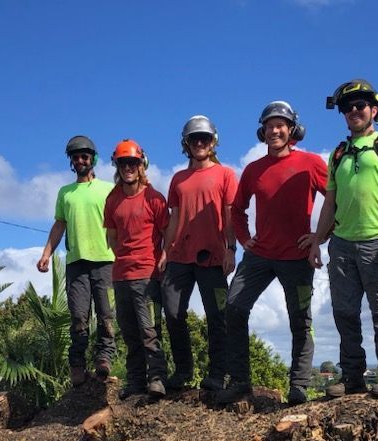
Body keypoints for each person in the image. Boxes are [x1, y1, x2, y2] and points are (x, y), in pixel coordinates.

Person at [308, 79, 378, 398]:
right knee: (344, 313)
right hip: (341, 244)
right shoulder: (338, 153)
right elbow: (330, 201)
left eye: (360, 105)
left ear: (374, 110)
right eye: (348, 107)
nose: (354, 111)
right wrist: (317, 240)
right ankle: (352, 377)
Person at [218, 101, 327, 405]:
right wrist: (244, 239)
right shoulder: (254, 169)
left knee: (299, 319)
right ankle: (240, 382)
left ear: (292, 130)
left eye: (281, 125)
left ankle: (300, 385)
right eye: (269, 125)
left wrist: (321, 237)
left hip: (297, 256)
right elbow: (237, 210)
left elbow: (335, 200)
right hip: (260, 255)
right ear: (262, 131)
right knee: (234, 308)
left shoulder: (312, 163)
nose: (275, 130)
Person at [160, 115, 238, 392]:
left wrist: (231, 248)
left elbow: (231, 214)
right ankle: (183, 371)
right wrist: (164, 252)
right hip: (180, 256)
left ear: (213, 141)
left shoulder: (226, 174)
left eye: (204, 138)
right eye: (194, 139)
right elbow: (174, 218)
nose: (200, 143)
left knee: (218, 315)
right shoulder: (178, 179)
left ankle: (218, 373)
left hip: (213, 256)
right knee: (172, 312)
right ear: (187, 144)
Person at [38, 135, 116, 386]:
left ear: (93, 158)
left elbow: (121, 222)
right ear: (71, 161)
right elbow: (59, 224)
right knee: (79, 316)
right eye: (76, 157)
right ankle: (78, 365)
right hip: (76, 262)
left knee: (106, 315)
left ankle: (104, 359)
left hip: (106, 260)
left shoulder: (108, 189)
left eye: (85, 156)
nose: (81, 160)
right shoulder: (65, 193)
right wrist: (46, 253)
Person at [103, 139, 170, 399]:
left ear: (141, 164)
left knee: (149, 330)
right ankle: (135, 382)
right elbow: (112, 237)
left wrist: (162, 256)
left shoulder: (154, 198)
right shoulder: (112, 199)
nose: (128, 167)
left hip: (148, 274)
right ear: (117, 166)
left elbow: (167, 231)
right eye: (123, 163)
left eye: (132, 162)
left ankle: (157, 378)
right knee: (129, 332)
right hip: (121, 275)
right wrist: (123, 257)